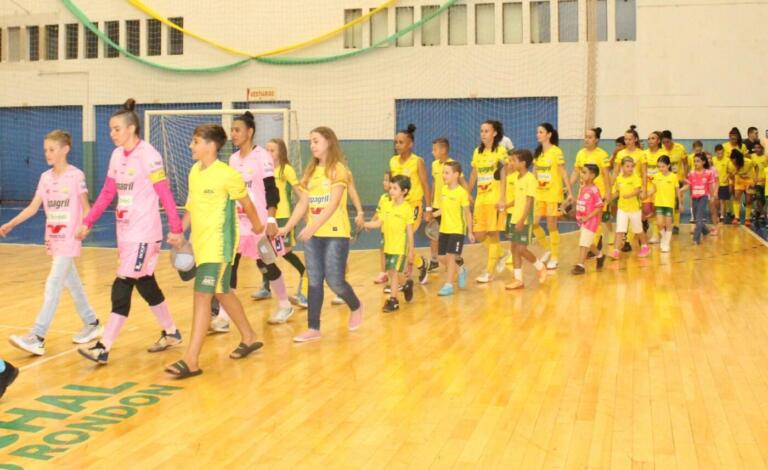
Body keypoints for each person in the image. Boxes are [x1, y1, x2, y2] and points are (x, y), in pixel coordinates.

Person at [78, 99, 184, 364]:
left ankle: (103, 346)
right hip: (124, 231)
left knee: (123, 282)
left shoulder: (149, 155)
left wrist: (176, 227)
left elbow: (164, 193)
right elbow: (107, 193)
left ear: (131, 128)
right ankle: (172, 332)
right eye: (110, 129)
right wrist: (88, 221)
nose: (111, 133)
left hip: (144, 232)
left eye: (116, 129)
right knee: (145, 282)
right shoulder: (117, 156)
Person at [164, 124, 264, 379]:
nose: (191, 145)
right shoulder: (194, 172)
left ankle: (191, 360)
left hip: (219, 248)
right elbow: (191, 207)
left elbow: (247, 204)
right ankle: (249, 336)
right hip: (200, 245)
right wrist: (180, 232)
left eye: (196, 141)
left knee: (202, 295)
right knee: (222, 291)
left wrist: (257, 226)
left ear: (210, 145)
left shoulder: (227, 175)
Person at [1, 130, 101, 356]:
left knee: (53, 283)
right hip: (53, 238)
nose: (47, 153)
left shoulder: (76, 176)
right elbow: (33, 207)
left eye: (52, 149)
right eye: (45, 149)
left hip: (70, 238)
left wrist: (85, 225)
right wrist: (11, 223)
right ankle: (92, 322)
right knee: (72, 283)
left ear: (65, 149)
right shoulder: (45, 178)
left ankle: (37, 336)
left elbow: (87, 208)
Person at [278, 127, 364, 343]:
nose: (312, 145)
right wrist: (287, 227)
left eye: (316, 141)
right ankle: (313, 328)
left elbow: (333, 204)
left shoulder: (339, 170)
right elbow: (303, 203)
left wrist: (312, 227)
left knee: (335, 281)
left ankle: (356, 306)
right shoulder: (310, 172)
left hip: (335, 234)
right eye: (310, 142)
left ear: (329, 142)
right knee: (314, 279)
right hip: (313, 236)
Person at [251, 138, 308, 309]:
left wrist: (305, 212)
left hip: (283, 218)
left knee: (285, 252)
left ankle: (305, 274)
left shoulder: (286, 170)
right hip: (267, 217)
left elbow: (300, 194)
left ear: (281, 152)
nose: (268, 153)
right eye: (267, 149)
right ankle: (265, 287)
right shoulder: (262, 169)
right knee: (264, 253)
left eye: (272, 150)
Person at [363, 175, 415, 311]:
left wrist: (411, 252)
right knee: (392, 273)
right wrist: (365, 224)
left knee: (393, 272)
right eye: (390, 188)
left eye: (395, 188)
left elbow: (410, 232)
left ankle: (393, 301)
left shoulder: (407, 209)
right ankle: (406, 286)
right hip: (388, 246)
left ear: (404, 191)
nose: (391, 191)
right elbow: (379, 223)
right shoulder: (387, 205)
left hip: (400, 248)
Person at [498, 149, 547, 289]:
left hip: (524, 220)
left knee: (521, 249)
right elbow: (518, 199)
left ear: (523, 163)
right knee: (514, 249)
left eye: (514, 160)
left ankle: (539, 266)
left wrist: (521, 220)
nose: (511, 163)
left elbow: (529, 202)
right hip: (515, 218)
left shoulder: (530, 179)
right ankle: (518, 279)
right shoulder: (517, 178)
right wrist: (506, 205)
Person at [468, 120, 509, 282]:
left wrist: (502, 198)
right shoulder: (477, 152)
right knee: (478, 234)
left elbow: (504, 176)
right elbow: (474, 174)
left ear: (495, 133)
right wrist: (467, 192)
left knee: (493, 234)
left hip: (494, 199)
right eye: (482, 131)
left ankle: (489, 272)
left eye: (486, 131)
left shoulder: (500, 151)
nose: (483, 134)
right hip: (481, 199)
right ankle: (501, 253)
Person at [389, 124, 430, 284]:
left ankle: (401, 279)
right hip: (397, 206)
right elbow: (392, 185)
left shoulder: (417, 162)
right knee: (398, 241)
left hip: (414, 205)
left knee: (405, 239)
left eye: (401, 142)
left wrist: (428, 208)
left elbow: (426, 185)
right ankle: (420, 263)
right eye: (396, 142)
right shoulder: (393, 161)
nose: (397, 145)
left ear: (410, 144)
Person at [531, 123, 574, 270]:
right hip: (539, 194)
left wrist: (570, 192)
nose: (538, 134)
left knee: (551, 225)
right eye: (537, 132)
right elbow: (534, 173)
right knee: (534, 223)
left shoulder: (556, 152)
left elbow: (563, 173)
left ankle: (555, 257)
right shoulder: (538, 153)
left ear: (549, 134)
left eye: (541, 132)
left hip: (553, 194)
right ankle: (548, 248)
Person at [433, 161, 473, 296]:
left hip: (457, 230)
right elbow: (444, 208)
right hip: (444, 229)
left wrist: (470, 231)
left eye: (447, 173)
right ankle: (461, 270)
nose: (444, 175)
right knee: (441, 257)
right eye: (443, 173)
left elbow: (467, 213)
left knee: (450, 257)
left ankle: (449, 284)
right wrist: (434, 214)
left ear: (456, 175)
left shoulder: (462, 193)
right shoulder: (444, 190)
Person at [571, 127, 612, 255]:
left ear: (596, 140)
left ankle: (592, 245)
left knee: (596, 220)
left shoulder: (602, 154)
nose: (587, 139)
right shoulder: (580, 153)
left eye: (590, 137)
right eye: (586, 137)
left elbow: (606, 175)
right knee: (585, 220)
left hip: (597, 193)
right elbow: (576, 171)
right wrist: (569, 185)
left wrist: (608, 192)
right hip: (584, 194)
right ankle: (593, 243)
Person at [610, 157, 650, 259]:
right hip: (622, 209)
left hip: (634, 209)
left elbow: (637, 190)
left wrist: (628, 195)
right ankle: (616, 251)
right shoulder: (619, 179)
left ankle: (645, 247)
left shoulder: (635, 178)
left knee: (638, 230)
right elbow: (617, 192)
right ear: (622, 167)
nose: (630, 168)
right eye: (627, 166)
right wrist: (609, 198)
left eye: (632, 166)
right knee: (620, 230)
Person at [572, 164, 604, 274]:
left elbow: (599, 207)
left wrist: (587, 217)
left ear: (592, 175)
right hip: (583, 220)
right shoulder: (583, 187)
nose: (581, 174)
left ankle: (580, 266)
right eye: (581, 172)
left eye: (584, 172)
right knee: (588, 243)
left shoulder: (594, 190)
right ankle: (600, 255)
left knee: (583, 243)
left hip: (590, 221)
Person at [647, 156, 682, 252]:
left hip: (669, 204)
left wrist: (680, 203)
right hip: (659, 203)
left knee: (668, 224)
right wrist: (647, 193)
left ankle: (666, 244)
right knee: (659, 224)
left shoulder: (673, 176)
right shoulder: (657, 176)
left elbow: (677, 191)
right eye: (659, 166)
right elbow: (654, 189)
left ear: (668, 165)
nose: (661, 168)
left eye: (663, 166)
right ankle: (664, 237)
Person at [661, 130, 688, 234]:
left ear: (671, 140)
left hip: (678, 179)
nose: (666, 144)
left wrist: (685, 176)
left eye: (667, 142)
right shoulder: (661, 149)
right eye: (664, 142)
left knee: (677, 202)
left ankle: (676, 225)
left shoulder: (680, 148)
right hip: (665, 179)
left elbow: (685, 163)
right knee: (665, 202)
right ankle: (665, 224)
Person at [685, 153, 714, 244]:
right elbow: (689, 186)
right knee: (697, 218)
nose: (696, 163)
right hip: (694, 198)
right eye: (694, 161)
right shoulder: (691, 173)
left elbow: (711, 186)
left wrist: (712, 197)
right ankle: (705, 231)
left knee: (699, 218)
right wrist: (681, 191)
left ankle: (696, 239)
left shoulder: (708, 173)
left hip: (703, 197)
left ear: (703, 162)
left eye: (698, 161)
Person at [729, 149, 756, 226]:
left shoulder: (748, 161)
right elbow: (731, 176)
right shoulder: (732, 164)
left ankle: (747, 218)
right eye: (732, 161)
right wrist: (734, 173)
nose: (733, 163)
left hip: (750, 180)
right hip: (739, 180)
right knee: (736, 197)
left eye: (734, 161)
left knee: (749, 200)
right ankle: (736, 218)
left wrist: (756, 177)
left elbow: (756, 166)